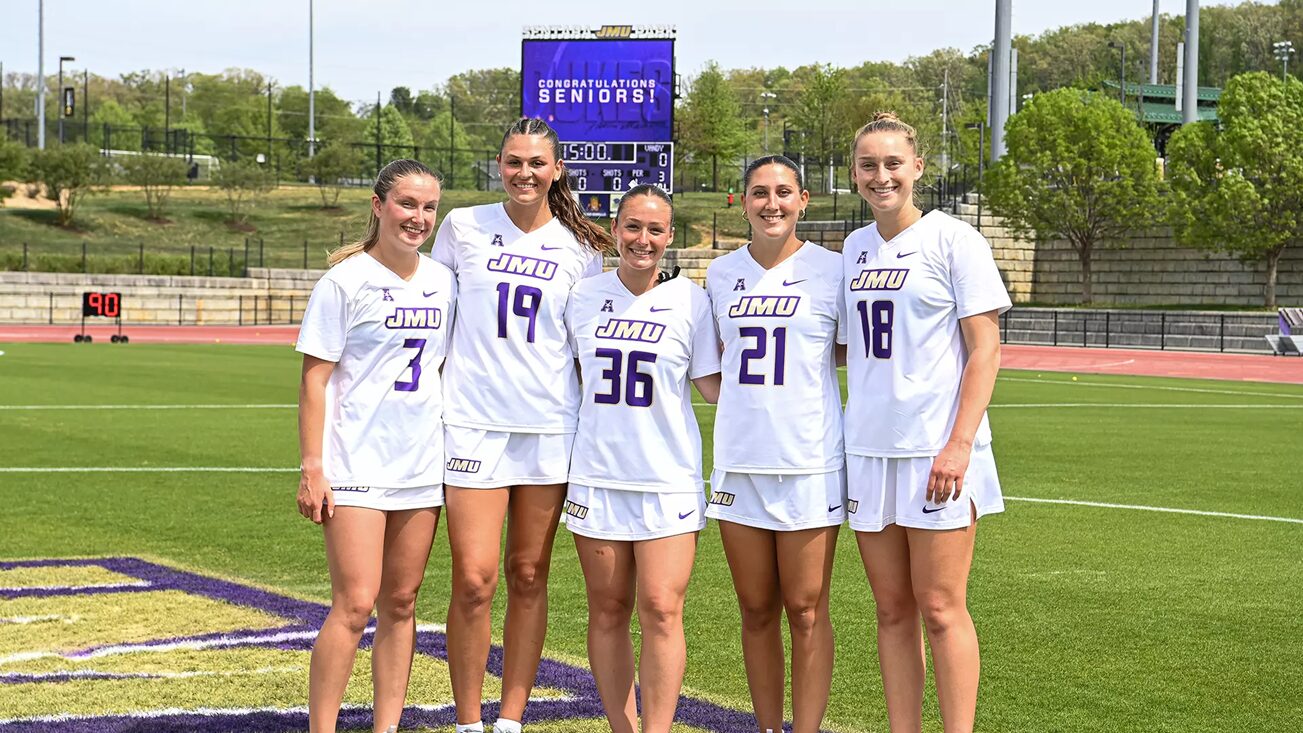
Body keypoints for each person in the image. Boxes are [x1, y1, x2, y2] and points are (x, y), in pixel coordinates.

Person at [430, 118, 613, 733]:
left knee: (529, 573)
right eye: (513, 162)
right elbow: (434, 312)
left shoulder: (580, 250)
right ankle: (467, 721)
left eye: (537, 163)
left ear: (556, 169)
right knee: (475, 579)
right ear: (499, 165)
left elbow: (590, 346)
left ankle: (509, 719)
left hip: (548, 427)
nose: (524, 173)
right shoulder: (463, 227)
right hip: (474, 423)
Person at [842, 112, 1011, 733]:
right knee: (891, 611)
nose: (880, 175)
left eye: (892, 163)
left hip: (936, 450)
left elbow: (985, 348)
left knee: (940, 608)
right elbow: (845, 343)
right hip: (869, 449)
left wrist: (959, 443)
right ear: (853, 172)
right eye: (868, 164)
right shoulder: (855, 248)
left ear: (917, 167)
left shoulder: (954, 240)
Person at [295, 159, 454, 733]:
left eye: (429, 207)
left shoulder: (443, 280)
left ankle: (386, 726)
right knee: (355, 603)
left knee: (403, 603)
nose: (418, 217)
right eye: (407, 204)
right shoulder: (344, 282)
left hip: (420, 463)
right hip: (356, 462)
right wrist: (313, 467)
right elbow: (315, 378)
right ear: (378, 204)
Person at [564, 184, 722, 733]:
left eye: (656, 229)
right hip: (597, 476)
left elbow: (713, 386)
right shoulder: (582, 296)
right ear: (616, 228)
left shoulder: (692, 301)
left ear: (670, 236)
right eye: (633, 226)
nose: (643, 239)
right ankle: (621, 727)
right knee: (607, 610)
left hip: (667, 478)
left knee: (661, 609)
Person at [704, 155, 845, 733]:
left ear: (803, 199)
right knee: (756, 609)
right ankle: (766, 726)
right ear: (742, 201)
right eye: (759, 192)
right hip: (740, 465)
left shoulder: (834, 270)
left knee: (807, 610)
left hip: (809, 462)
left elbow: (851, 350)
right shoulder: (718, 274)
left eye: (783, 192)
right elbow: (712, 370)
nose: (772, 204)